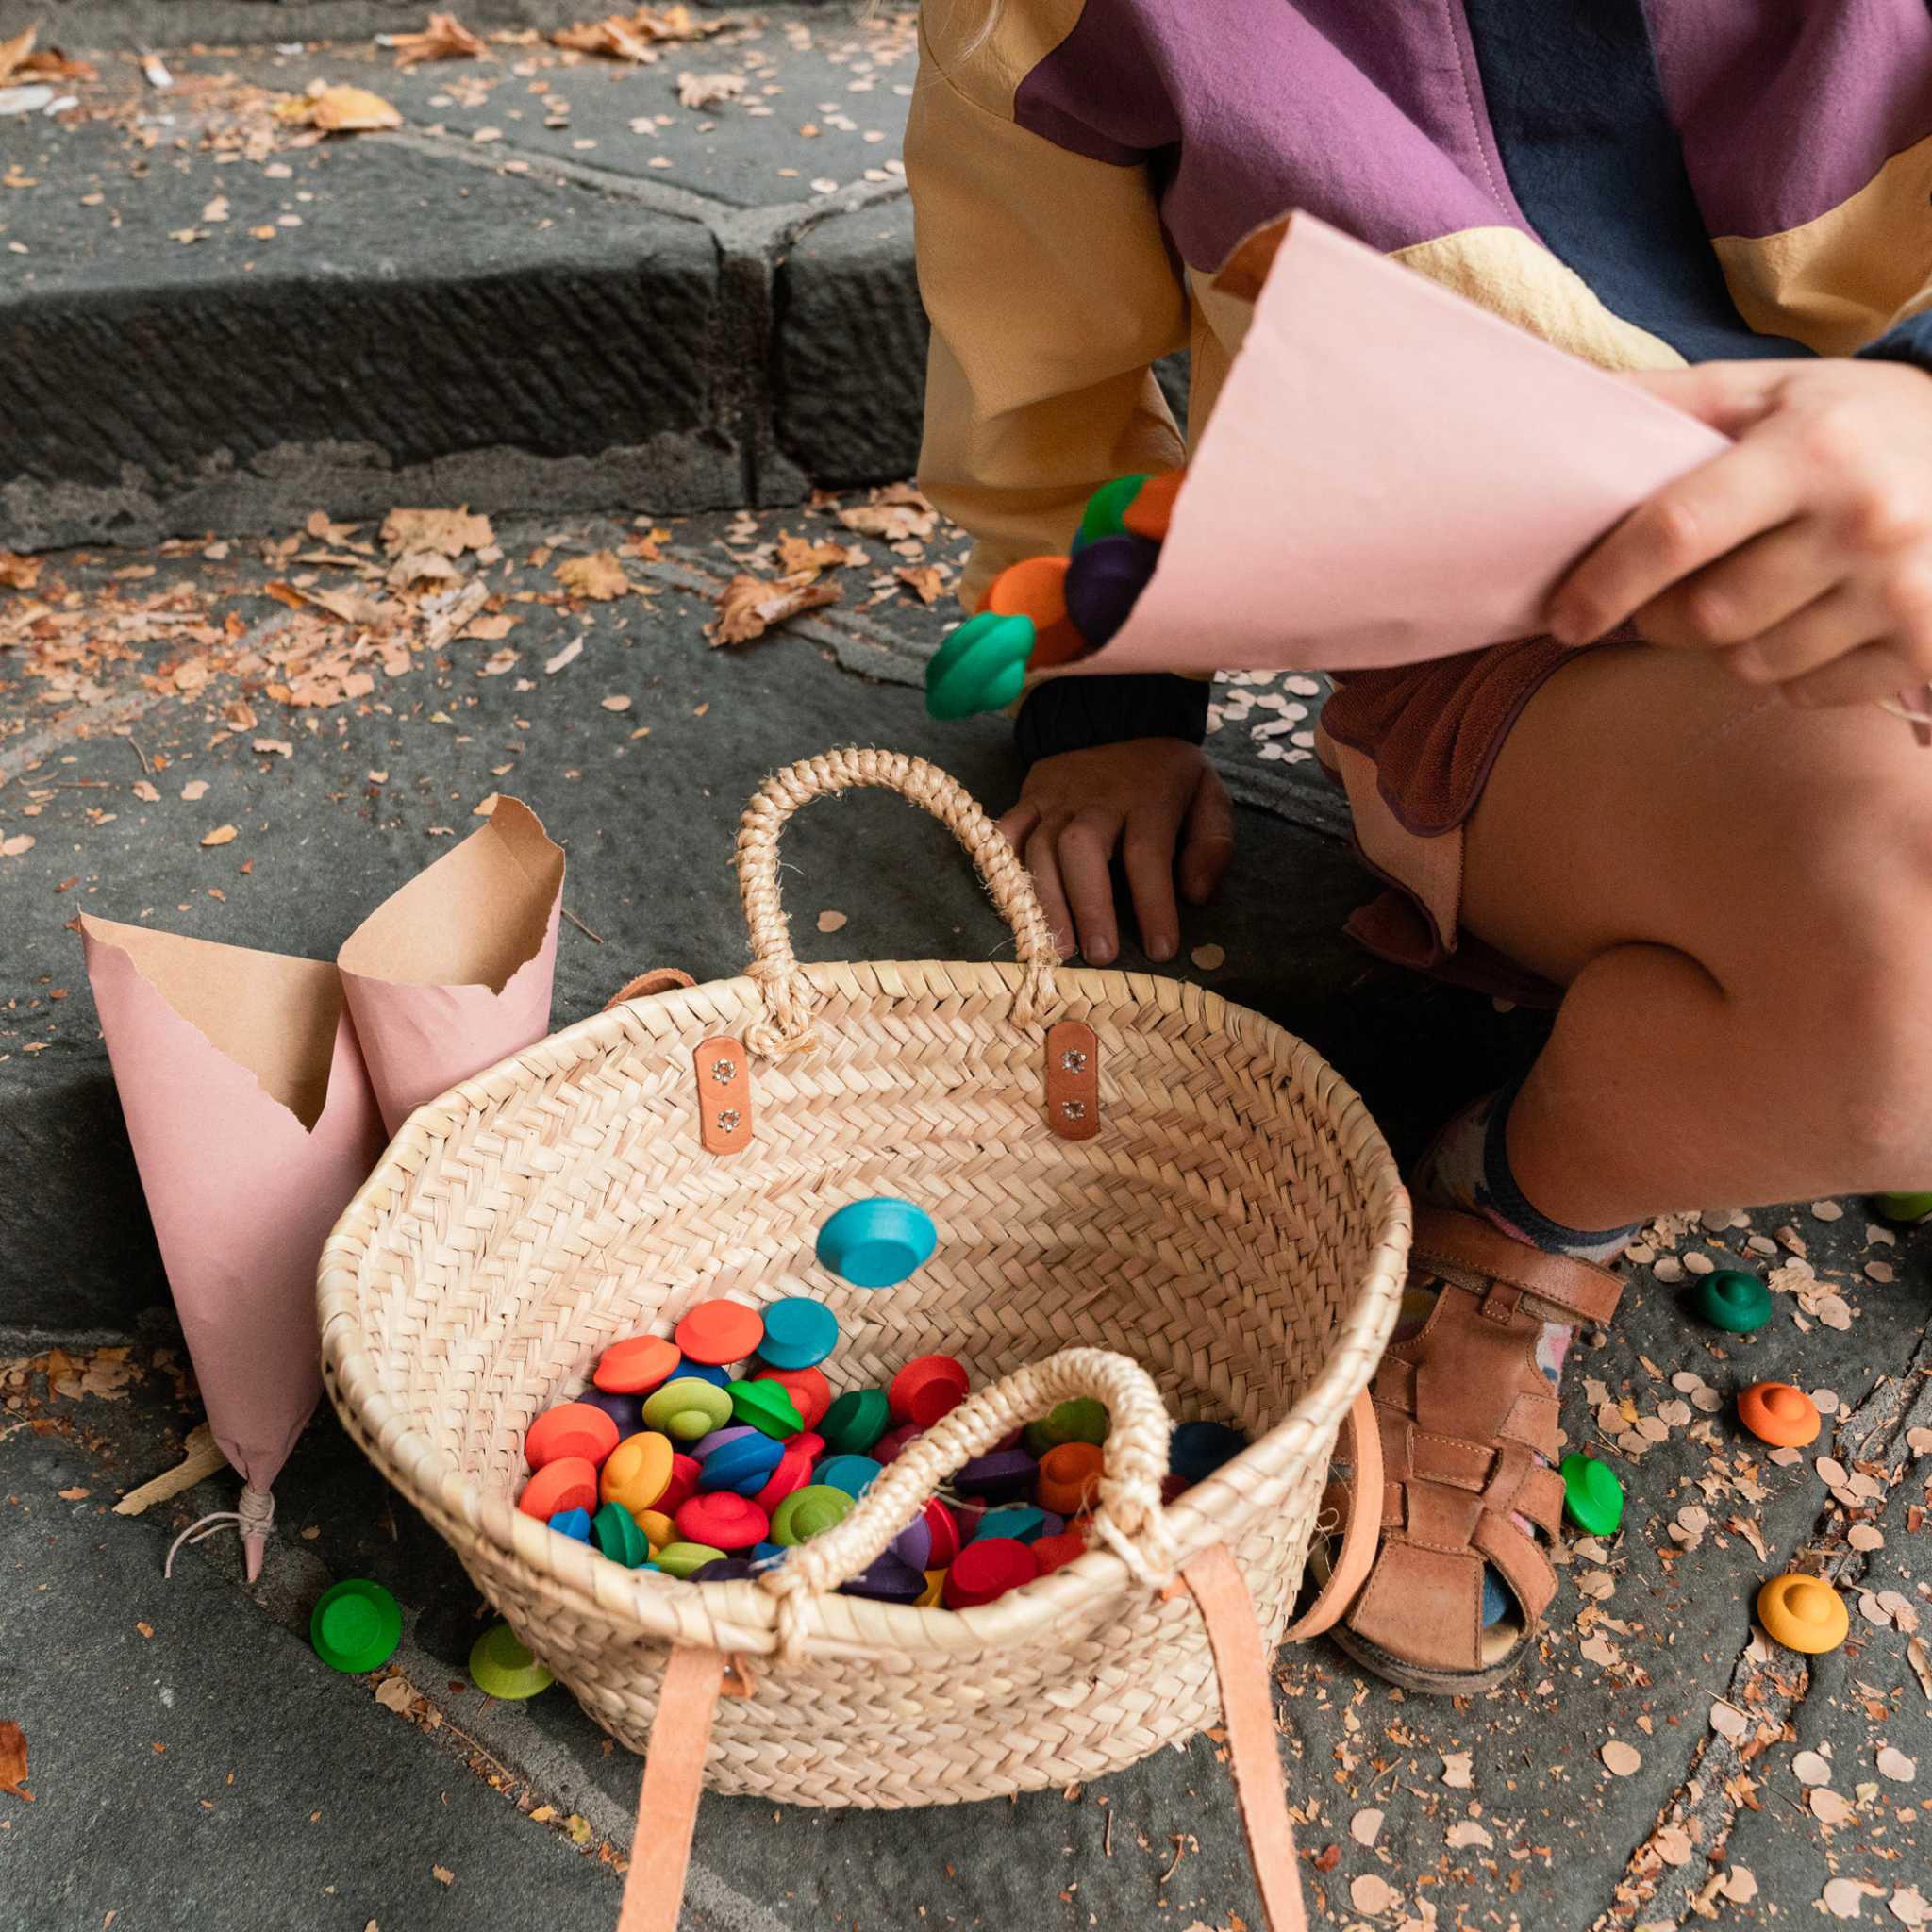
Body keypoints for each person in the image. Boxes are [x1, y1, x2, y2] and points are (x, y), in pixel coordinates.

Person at [905, 0, 1932, 1692]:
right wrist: (1114, 694)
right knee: (1905, 969)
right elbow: (1043, 385)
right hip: (1521, 608)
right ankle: (1523, 1204)